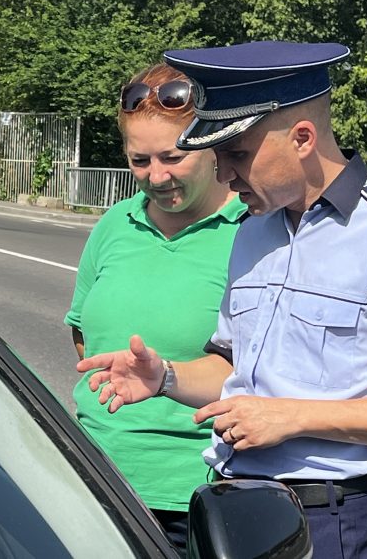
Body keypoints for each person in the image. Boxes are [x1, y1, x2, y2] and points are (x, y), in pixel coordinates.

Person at [78, 41, 367, 559]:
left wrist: (294, 417)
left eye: (237, 154)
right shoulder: (254, 229)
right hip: (234, 504)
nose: (223, 174)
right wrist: (166, 378)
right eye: (218, 156)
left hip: (325, 517)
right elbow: (233, 368)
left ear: (302, 138)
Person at [65, 63, 245, 549]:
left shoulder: (252, 231)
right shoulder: (115, 223)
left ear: (211, 146)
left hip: (194, 495)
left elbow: (266, 371)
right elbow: (83, 333)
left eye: (172, 157)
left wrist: (165, 378)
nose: (157, 176)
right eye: (139, 160)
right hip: (92, 477)